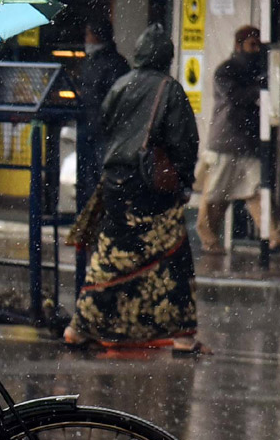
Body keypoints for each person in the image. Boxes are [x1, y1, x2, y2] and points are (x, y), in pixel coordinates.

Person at [63, 23, 205, 354]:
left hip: (115, 183)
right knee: (173, 256)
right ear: (166, 57)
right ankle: (182, 336)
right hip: (152, 187)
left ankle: (80, 328)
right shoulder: (171, 90)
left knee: (110, 255)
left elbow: (104, 127)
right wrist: (183, 180)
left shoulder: (120, 85)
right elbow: (185, 143)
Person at [195, 25, 280, 255]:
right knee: (215, 196)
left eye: (258, 46)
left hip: (249, 142)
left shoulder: (260, 70)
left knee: (256, 191)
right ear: (238, 45)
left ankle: (274, 236)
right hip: (227, 140)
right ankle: (209, 239)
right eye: (251, 45)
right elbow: (234, 96)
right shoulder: (226, 71)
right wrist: (258, 90)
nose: (255, 50)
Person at [74, 15, 130, 295]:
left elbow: (109, 103)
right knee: (90, 185)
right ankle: (93, 231)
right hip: (93, 133)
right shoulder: (103, 63)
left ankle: (98, 232)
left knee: (98, 185)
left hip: (100, 135)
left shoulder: (110, 64)